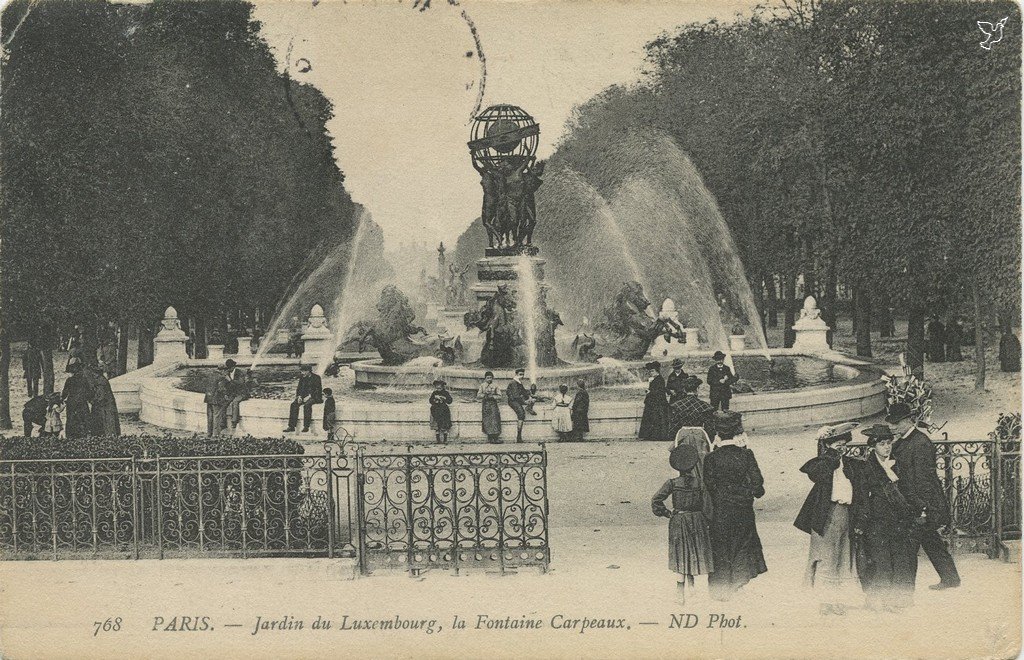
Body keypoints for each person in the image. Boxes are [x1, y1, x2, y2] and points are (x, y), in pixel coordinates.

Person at [887, 403, 960, 590]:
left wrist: (923, 508)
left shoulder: (920, 443)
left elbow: (924, 480)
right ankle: (951, 578)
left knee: (910, 545)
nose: (892, 426)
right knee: (931, 541)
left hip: (921, 502)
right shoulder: (903, 441)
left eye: (895, 422)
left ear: (908, 420)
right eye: (891, 423)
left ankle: (903, 589)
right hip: (915, 500)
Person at [794, 422, 863, 616]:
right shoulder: (824, 464)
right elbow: (816, 472)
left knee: (842, 559)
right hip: (826, 515)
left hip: (845, 514)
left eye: (844, 444)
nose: (841, 448)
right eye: (837, 444)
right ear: (829, 445)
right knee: (826, 559)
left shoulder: (850, 465)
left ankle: (837, 601)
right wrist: (829, 451)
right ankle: (825, 601)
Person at [703, 411, 767, 601]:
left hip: (721, 508)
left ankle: (720, 589)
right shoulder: (746, 455)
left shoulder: (711, 458)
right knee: (742, 542)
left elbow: (709, 485)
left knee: (721, 544)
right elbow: (758, 484)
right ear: (738, 432)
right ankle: (739, 581)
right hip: (742, 508)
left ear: (718, 434)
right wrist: (749, 492)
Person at [855, 424, 919, 611]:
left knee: (901, 560)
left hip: (899, 520)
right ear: (873, 446)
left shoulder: (898, 464)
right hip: (877, 521)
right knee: (880, 561)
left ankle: (897, 599)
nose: (887, 447)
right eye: (882, 444)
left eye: (889, 443)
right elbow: (862, 496)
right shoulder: (867, 468)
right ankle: (878, 599)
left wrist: (919, 508)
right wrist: (862, 521)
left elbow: (908, 489)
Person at [652, 444, 714, 603]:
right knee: (693, 552)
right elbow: (708, 506)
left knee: (680, 555)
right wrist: (706, 521)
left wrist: (667, 513)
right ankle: (692, 587)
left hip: (679, 521)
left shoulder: (672, 483)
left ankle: (680, 592)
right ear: (693, 465)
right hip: (696, 521)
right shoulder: (699, 483)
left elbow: (656, 500)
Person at [669, 375, 715, 441]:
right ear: (697, 389)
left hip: (682, 437)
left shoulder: (677, 405)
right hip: (699, 437)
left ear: (684, 390)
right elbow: (710, 429)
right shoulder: (705, 406)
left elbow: (673, 428)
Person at [85, 364, 120, 437]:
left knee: (106, 426)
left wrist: (92, 400)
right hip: (105, 406)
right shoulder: (101, 379)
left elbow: (101, 397)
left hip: (104, 408)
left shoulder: (100, 381)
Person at [61, 360, 93, 439]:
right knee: (83, 418)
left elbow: (64, 393)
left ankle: (71, 435)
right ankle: (83, 434)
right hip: (82, 401)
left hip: (71, 402)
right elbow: (88, 392)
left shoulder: (69, 380)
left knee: (71, 419)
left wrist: (62, 399)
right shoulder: (84, 379)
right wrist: (89, 399)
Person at [285, 364, 323, 433]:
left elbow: (318, 390)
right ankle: (291, 426)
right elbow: (299, 389)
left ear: (308, 371)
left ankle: (306, 426)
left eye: (303, 371)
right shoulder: (302, 378)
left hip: (315, 397)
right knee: (294, 404)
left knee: (307, 405)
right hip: (304, 396)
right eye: (302, 371)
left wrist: (310, 396)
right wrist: (299, 396)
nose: (302, 373)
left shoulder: (316, 378)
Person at [639, 361, 670, 441]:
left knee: (655, 419)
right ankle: (652, 435)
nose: (651, 373)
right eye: (650, 371)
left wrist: (650, 392)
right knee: (653, 419)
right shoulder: (656, 379)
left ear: (656, 371)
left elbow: (660, 391)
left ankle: (655, 436)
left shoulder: (659, 379)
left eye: (652, 371)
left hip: (657, 402)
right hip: (654, 402)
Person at [506, 368, 536, 443]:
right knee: (521, 413)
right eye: (520, 374)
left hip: (518, 399)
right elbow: (516, 396)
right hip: (513, 401)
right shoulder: (513, 383)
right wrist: (525, 402)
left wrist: (530, 396)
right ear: (516, 374)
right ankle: (519, 436)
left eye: (523, 374)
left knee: (533, 400)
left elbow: (524, 392)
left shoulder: (519, 382)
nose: (522, 376)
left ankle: (529, 408)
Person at [477, 371, 502, 443]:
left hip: (493, 404)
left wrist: (493, 396)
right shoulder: (482, 386)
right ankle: (490, 437)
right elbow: (478, 395)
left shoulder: (495, 386)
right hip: (485, 405)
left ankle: (496, 437)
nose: (489, 379)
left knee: (495, 420)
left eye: (490, 378)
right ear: (485, 378)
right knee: (487, 420)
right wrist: (485, 395)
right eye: (487, 378)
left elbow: (500, 396)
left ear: (492, 378)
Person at [224, 359, 248, 430]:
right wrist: (226, 394)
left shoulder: (239, 372)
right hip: (233, 393)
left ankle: (234, 421)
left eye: (230, 367)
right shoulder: (228, 373)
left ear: (233, 366)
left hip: (242, 393)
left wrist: (230, 380)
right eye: (227, 368)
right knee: (225, 402)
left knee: (235, 402)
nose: (229, 369)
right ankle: (223, 422)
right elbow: (226, 385)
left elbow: (240, 383)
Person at [429, 379, 453, 444]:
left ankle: (445, 440)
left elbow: (450, 401)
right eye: (437, 387)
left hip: (443, 410)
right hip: (435, 410)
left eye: (439, 387)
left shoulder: (446, 393)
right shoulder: (434, 393)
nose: (438, 388)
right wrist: (434, 400)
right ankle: (438, 440)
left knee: (444, 426)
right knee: (437, 426)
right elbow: (430, 401)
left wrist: (444, 398)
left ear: (442, 387)